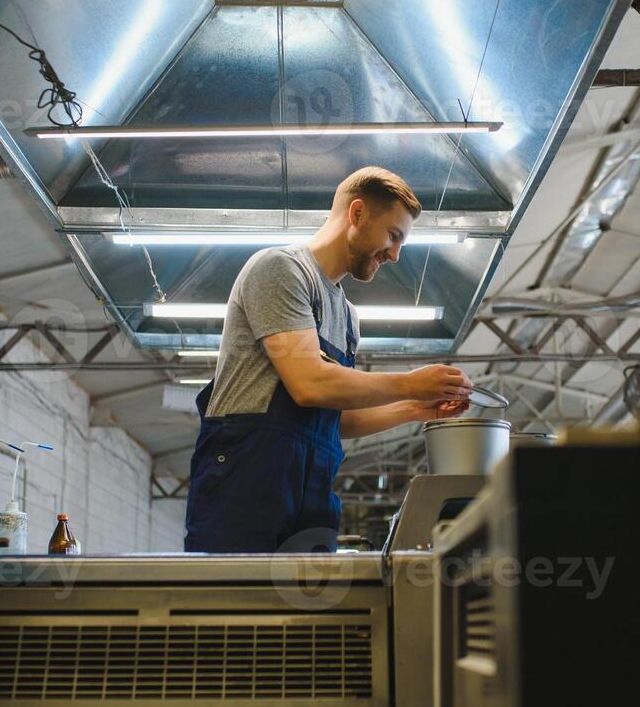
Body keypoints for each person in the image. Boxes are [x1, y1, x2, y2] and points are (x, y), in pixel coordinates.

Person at [184, 166, 473, 553]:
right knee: (234, 607)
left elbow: (335, 419)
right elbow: (309, 385)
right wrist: (408, 381)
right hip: (246, 481)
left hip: (312, 494)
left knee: (310, 612)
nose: (395, 254)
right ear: (356, 214)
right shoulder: (282, 270)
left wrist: (415, 408)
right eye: (393, 235)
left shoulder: (349, 317)